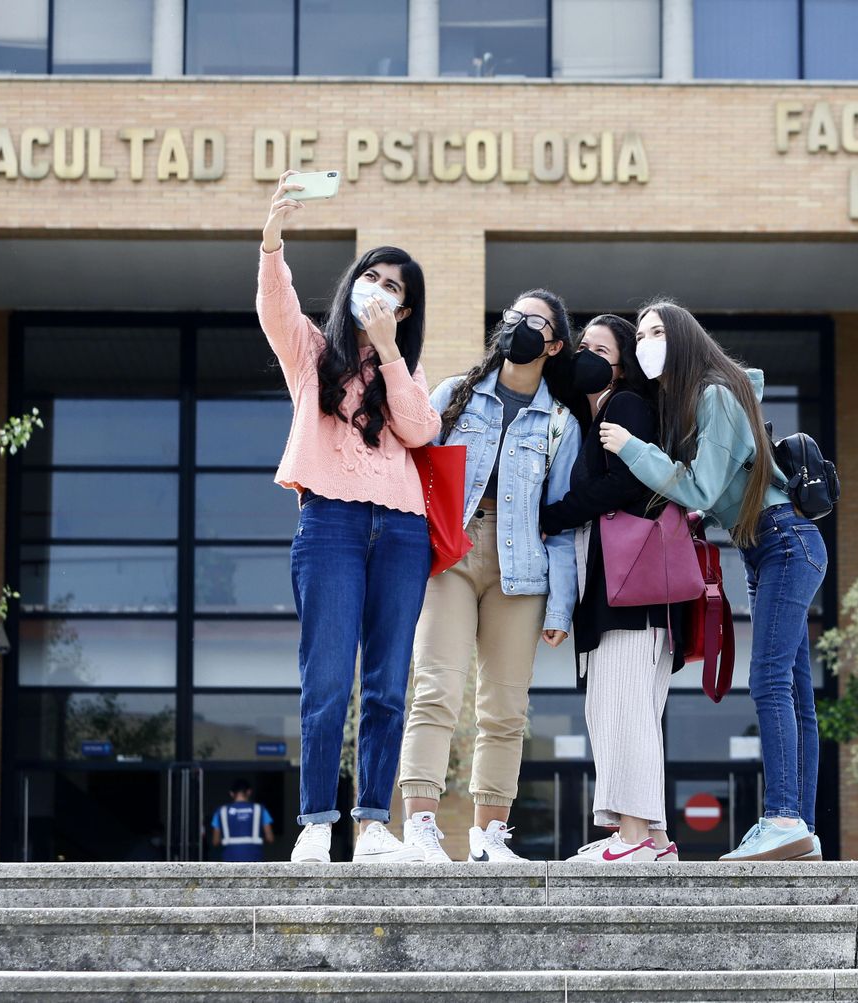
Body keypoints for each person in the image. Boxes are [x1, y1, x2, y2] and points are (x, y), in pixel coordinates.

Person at [601, 302, 827, 863]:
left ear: (683, 338)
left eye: (658, 331)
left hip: (784, 541)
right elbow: (710, 496)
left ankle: (781, 817)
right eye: (643, 333)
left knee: (771, 682)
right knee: (796, 695)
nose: (648, 342)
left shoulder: (716, 394)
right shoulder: (698, 403)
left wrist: (632, 448)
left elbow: (699, 490)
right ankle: (797, 825)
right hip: (767, 547)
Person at [258, 170, 439, 864]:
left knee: (388, 682)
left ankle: (372, 823)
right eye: (376, 277)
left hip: (400, 530)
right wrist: (273, 238)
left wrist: (391, 352)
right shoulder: (311, 353)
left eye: (398, 288)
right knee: (328, 676)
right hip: (330, 524)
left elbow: (420, 430)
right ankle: (314, 821)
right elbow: (276, 306)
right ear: (355, 281)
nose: (383, 291)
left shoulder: (405, 371)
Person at [396, 289, 581, 863]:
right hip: (452, 552)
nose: (517, 326)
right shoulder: (454, 395)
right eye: (512, 316)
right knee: (437, 688)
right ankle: (420, 827)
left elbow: (565, 522)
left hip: (521, 568)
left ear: (552, 344)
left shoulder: (559, 422)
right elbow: (408, 469)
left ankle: (488, 837)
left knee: (505, 708)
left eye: (533, 321)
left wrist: (560, 606)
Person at [539, 315, 683, 865]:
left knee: (623, 706)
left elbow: (626, 483)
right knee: (623, 708)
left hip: (631, 586)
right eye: (582, 347)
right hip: (625, 582)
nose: (588, 356)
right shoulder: (592, 411)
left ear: (622, 362)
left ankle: (634, 837)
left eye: (602, 349)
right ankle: (653, 838)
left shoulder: (625, 405)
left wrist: (551, 514)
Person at [210, 779, 275, 862]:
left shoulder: (221, 811)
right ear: (249, 792)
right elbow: (270, 838)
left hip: (229, 861)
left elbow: (215, 841)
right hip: (254, 860)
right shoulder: (260, 810)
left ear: (231, 793)